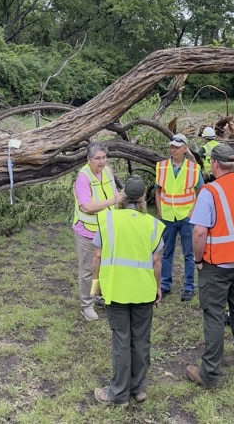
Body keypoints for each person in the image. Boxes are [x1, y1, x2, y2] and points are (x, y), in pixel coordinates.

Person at [184, 144, 234, 389]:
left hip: (216, 264)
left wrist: (197, 260)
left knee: (214, 314)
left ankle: (210, 374)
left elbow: (199, 232)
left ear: (214, 164)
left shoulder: (210, 191)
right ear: (233, 163)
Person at [92, 176, 164, 406]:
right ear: (143, 197)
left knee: (121, 340)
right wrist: (157, 287)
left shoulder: (107, 220)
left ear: (122, 196)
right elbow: (156, 261)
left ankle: (118, 394)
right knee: (141, 340)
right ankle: (139, 388)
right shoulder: (151, 224)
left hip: (116, 290)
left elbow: (96, 256)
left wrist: (96, 284)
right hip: (144, 291)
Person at [72, 143, 122, 321]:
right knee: (88, 270)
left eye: (104, 158)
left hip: (107, 228)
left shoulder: (107, 171)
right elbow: (86, 207)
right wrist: (113, 201)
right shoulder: (83, 177)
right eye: (97, 159)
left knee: (103, 266)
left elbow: (115, 194)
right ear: (88, 159)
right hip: (88, 231)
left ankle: (99, 296)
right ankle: (87, 305)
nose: (102, 162)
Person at [154, 134, 201, 302]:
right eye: (172, 147)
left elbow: (199, 191)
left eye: (177, 147)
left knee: (189, 253)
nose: (173, 150)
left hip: (186, 217)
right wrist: (160, 210)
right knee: (167, 252)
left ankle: (189, 286)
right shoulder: (161, 167)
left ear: (185, 148)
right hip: (168, 216)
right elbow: (158, 190)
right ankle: (165, 285)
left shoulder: (193, 168)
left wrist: (193, 211)